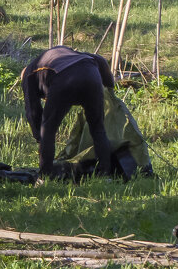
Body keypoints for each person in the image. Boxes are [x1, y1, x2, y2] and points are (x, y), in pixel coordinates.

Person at [21, 45, 115, 178]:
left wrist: (40, 138)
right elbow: (99, 59)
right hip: (91, 74)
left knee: (47, 129)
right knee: (98, 129)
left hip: (64, 78)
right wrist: (110, 87)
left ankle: (45, 176)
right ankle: (105, 175)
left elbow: (33, 111)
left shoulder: (29, 74)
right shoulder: (64, 52)